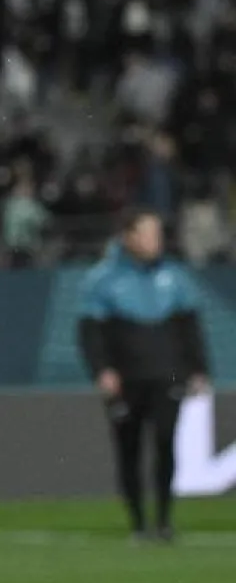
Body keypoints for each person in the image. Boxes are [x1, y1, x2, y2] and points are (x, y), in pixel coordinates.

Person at [77, 208, 211, 541]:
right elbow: (90, 332)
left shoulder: (175, 277)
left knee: (166, 442)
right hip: (126, 378)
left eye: (158, 234)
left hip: (167, 374)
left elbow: (189, 326)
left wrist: (198, 369)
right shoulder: (102, 279)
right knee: (129, 448)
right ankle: (138, 521)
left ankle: (164, 519)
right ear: (129, 237)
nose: (156, 241)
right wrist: (102, 370)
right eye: (148, 233)